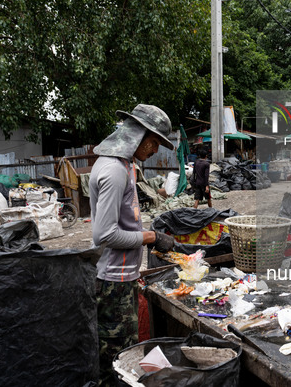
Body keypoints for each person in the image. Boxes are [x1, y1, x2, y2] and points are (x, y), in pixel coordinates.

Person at [89, 104, 176, 385]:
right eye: (153, 143)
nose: (154, 151)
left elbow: (125, 221)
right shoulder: (113, 170)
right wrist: (150, 237)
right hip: (111, 281)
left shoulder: (127, 165)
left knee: (125, 352)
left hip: (123, 276)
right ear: (139, 136)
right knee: (117, 360)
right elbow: (105, 235)